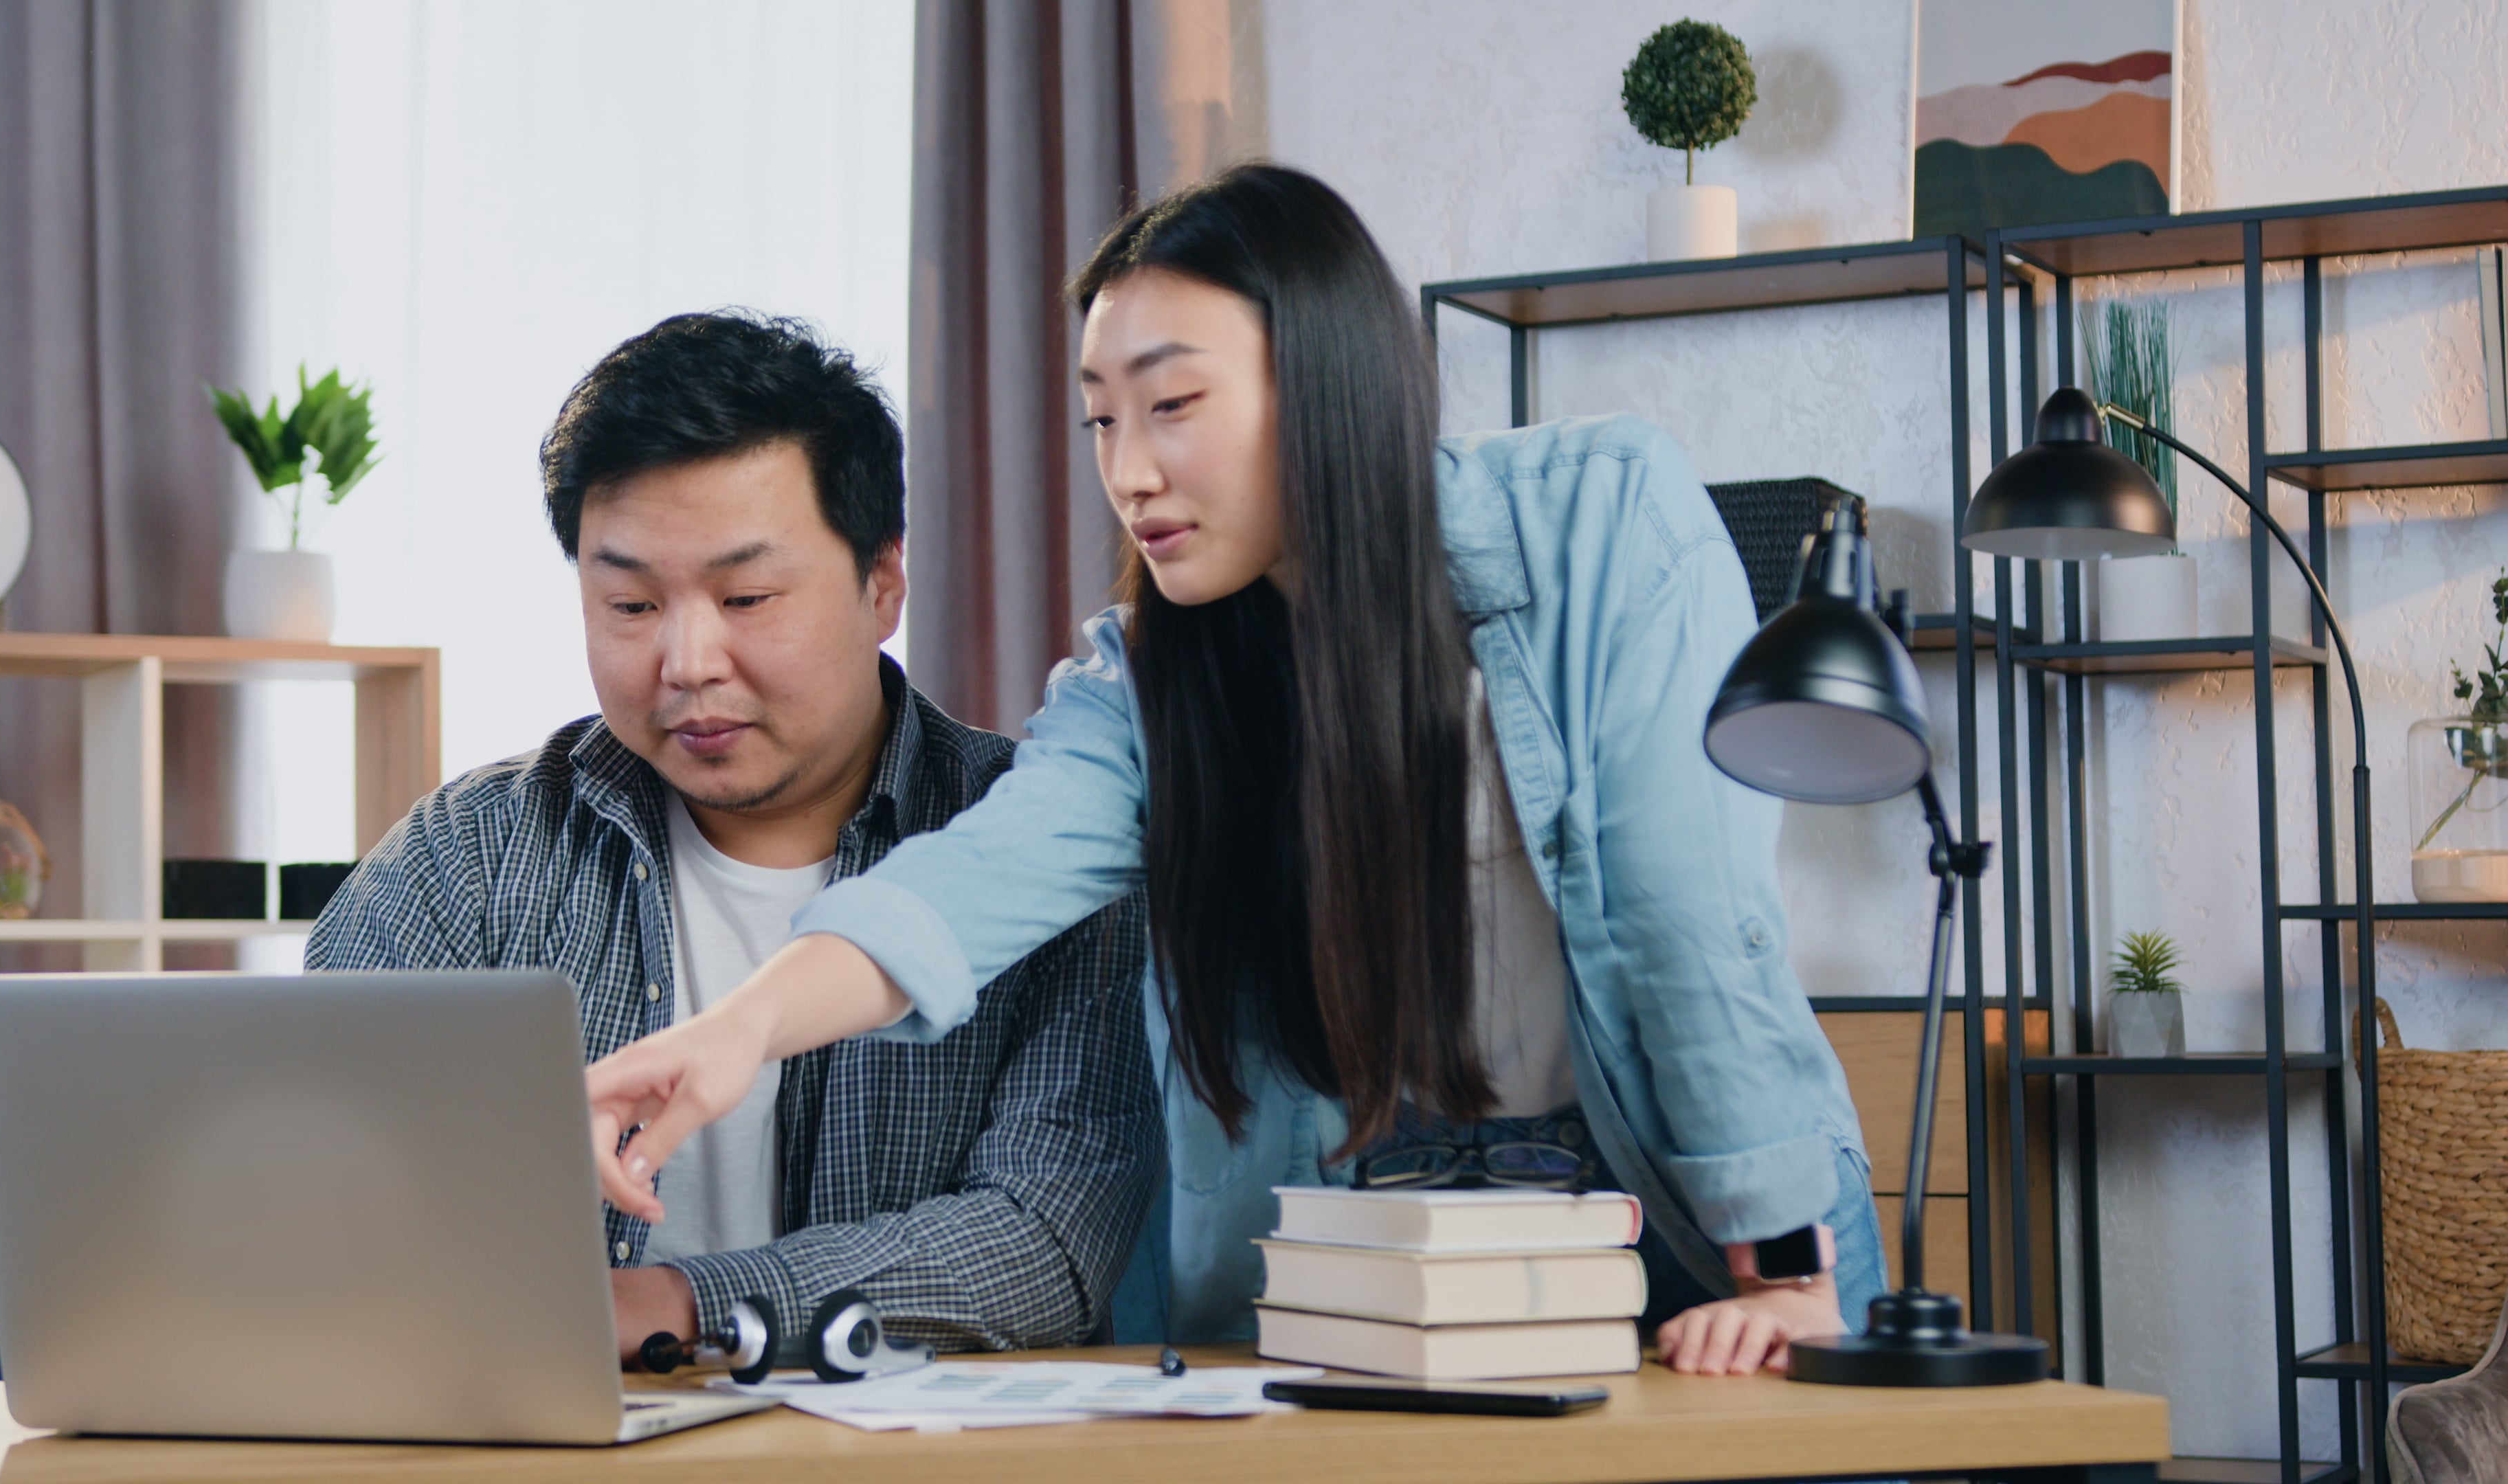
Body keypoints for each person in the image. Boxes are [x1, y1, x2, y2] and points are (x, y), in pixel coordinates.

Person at [582, 165, 1888, 1377]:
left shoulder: (1604, 517)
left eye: (1173, 405)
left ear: (1320, 376)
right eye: (1101, 420)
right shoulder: (1146, 678)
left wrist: (1776, 1261)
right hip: (1367, 1239)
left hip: (1681, 1210)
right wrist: (738, 1029)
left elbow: (1688, 918)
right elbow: (981, 875)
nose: (1129, 472)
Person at [309, 311, 1155, 1357]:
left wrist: (672, 1304)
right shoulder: (472, 859)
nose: (687, 660)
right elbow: (318, 1179)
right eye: (629, 604)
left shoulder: (1043, 845)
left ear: (882, 583)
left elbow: (1045, 1244)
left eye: (746, 596)